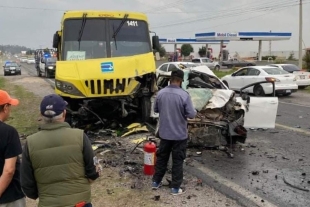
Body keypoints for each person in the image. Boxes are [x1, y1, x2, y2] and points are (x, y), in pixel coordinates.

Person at [20, 94, 99, 207]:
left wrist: (44, 195)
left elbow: (26, 183)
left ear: (41, 115)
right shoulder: (80, 136)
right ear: (64, 113)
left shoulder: (30, 143)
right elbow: (94, 171)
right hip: (79, 203)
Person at [152, 70, 197, 195]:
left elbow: (156, 109)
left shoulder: (160, 93)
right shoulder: (184, 95)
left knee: (162, 158)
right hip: (179, 135)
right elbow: (191, 114)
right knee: (177, 161)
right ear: (181, 80)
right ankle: (175, 188)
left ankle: (156, 182)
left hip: (165, 134)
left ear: (170, 79)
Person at [0, 90, 26, 207]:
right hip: (9, 197)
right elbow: (9, 170)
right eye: (10, 106)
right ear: (5, 107)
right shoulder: (9, 132)